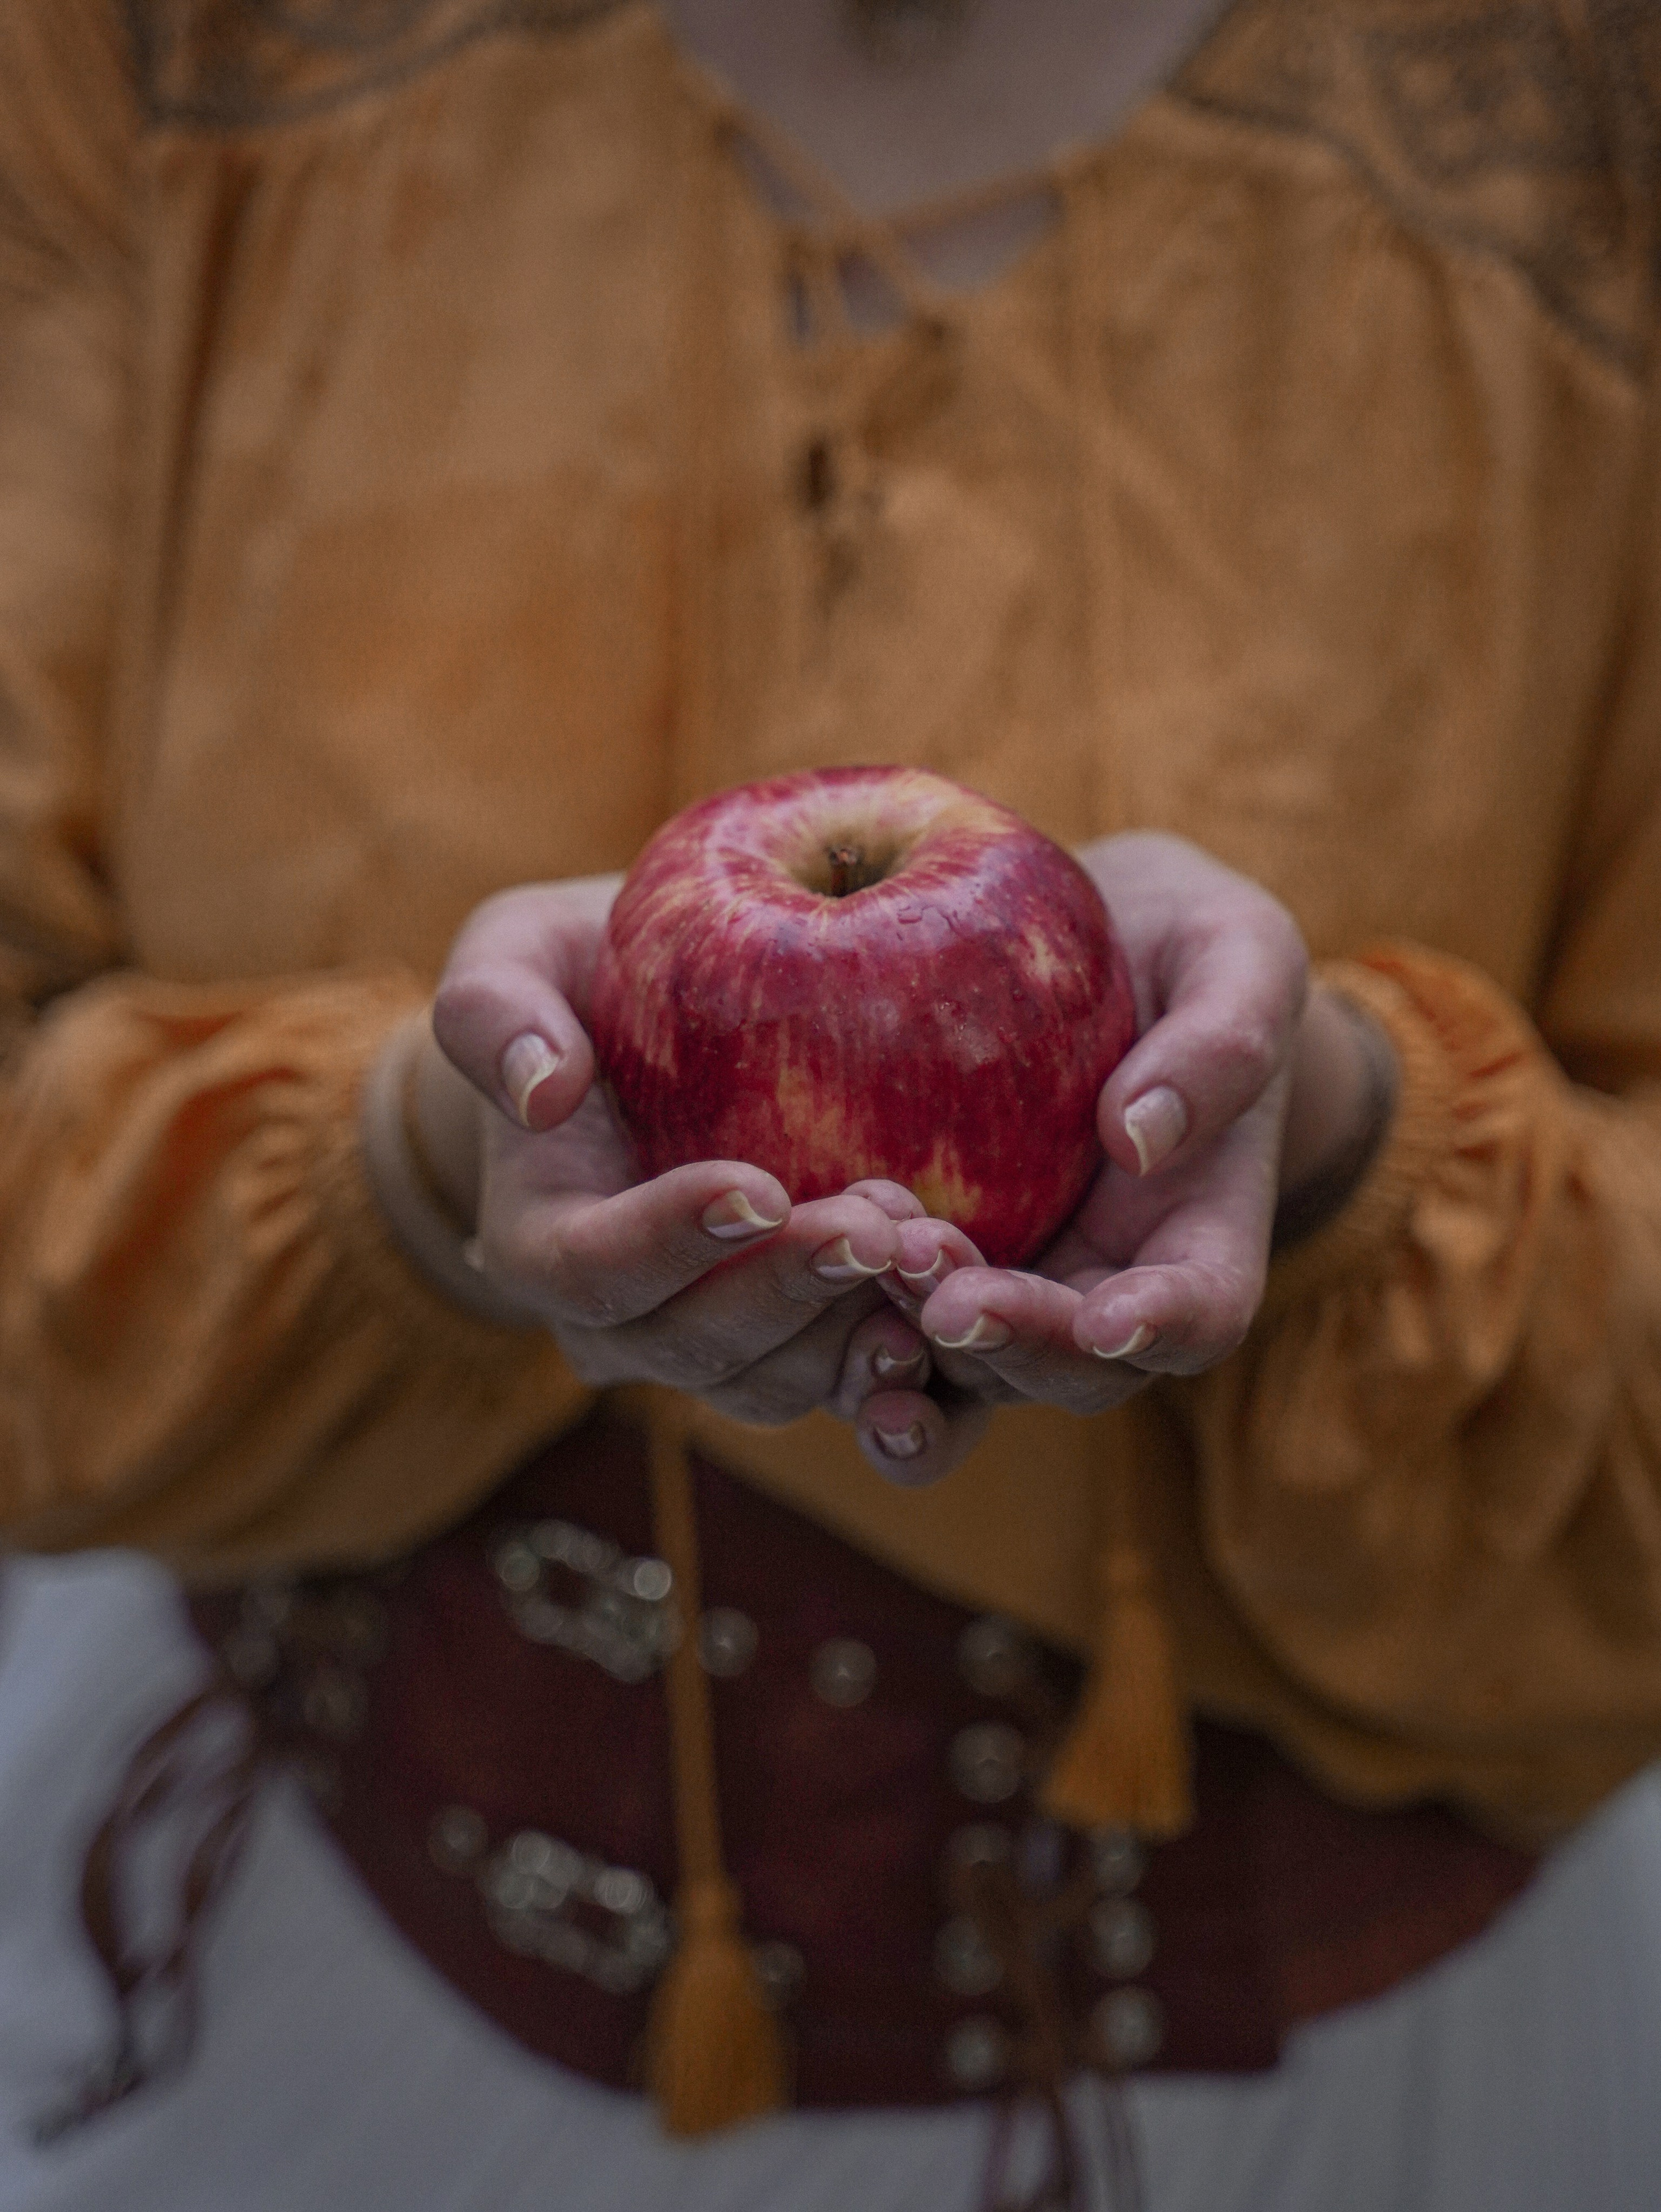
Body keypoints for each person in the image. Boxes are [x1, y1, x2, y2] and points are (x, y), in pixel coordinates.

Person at [2, 0, 1661, 2206]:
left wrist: (1342, 1125)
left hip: (1339, 2105)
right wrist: (411, 1166)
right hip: (311, 1989)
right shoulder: (136, 53)